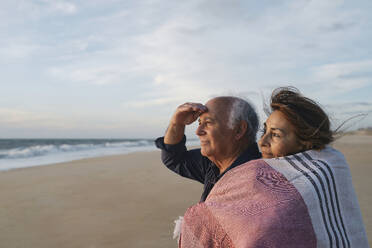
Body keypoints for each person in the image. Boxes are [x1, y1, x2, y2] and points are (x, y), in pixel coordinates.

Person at [179, 87, 369, 247]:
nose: (262, 142)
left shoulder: (323, 174)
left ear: (305, 143)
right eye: (265, 130)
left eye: (276, 135)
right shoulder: (257, 175)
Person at [155, 96, 261, 202]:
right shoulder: (215, 163)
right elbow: (174, 159)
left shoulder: (259, 181)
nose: (198, 131)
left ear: (238, 130)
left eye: (208, 123)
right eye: (200, 123)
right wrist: (177, 123)